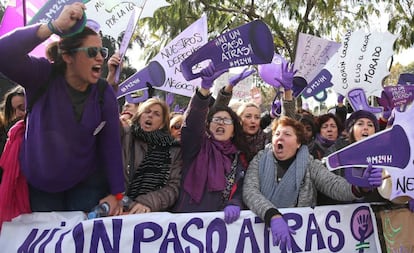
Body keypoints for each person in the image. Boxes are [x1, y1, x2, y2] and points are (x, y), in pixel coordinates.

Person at [0, 3, 124, 214]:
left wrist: (117, 194)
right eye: (92, 51)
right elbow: (3, 53)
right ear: (67, 57)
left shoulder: (104, 92)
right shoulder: (40, 75)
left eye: (102, 51)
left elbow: (111, 143)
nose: (101, 58)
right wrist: (53, 26)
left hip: (86, 183)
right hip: (42, 185)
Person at [243, 116, 383, 252]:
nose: (280, 137)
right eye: (277, 133)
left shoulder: (309, 164)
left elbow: (332, 184)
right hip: (263, 236)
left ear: (298, 143)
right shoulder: (260, 159)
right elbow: (250, 191)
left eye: (287, 134)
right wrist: (273, 216)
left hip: (301, 239)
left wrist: (360, 187)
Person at [173, 62, 250, 224]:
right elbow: (193, 122)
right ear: (208, 126)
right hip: (185, 223)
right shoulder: (197, 146)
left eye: (226, 121)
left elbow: (240, 189)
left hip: (218, 229)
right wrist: (204, 89)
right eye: (217, 119)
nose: (221, 123)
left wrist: (235, 203)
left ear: (234, 130)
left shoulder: (239, 158)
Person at [120, 98, 182, 213]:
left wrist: (147, 203)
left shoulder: (173, 150)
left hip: (150, 213)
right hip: (118, 207)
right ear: (139, 115)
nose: (150, 116)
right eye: (147, 112)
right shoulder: (125, 136)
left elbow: (174, 187)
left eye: (156, 114)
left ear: (162, 123)